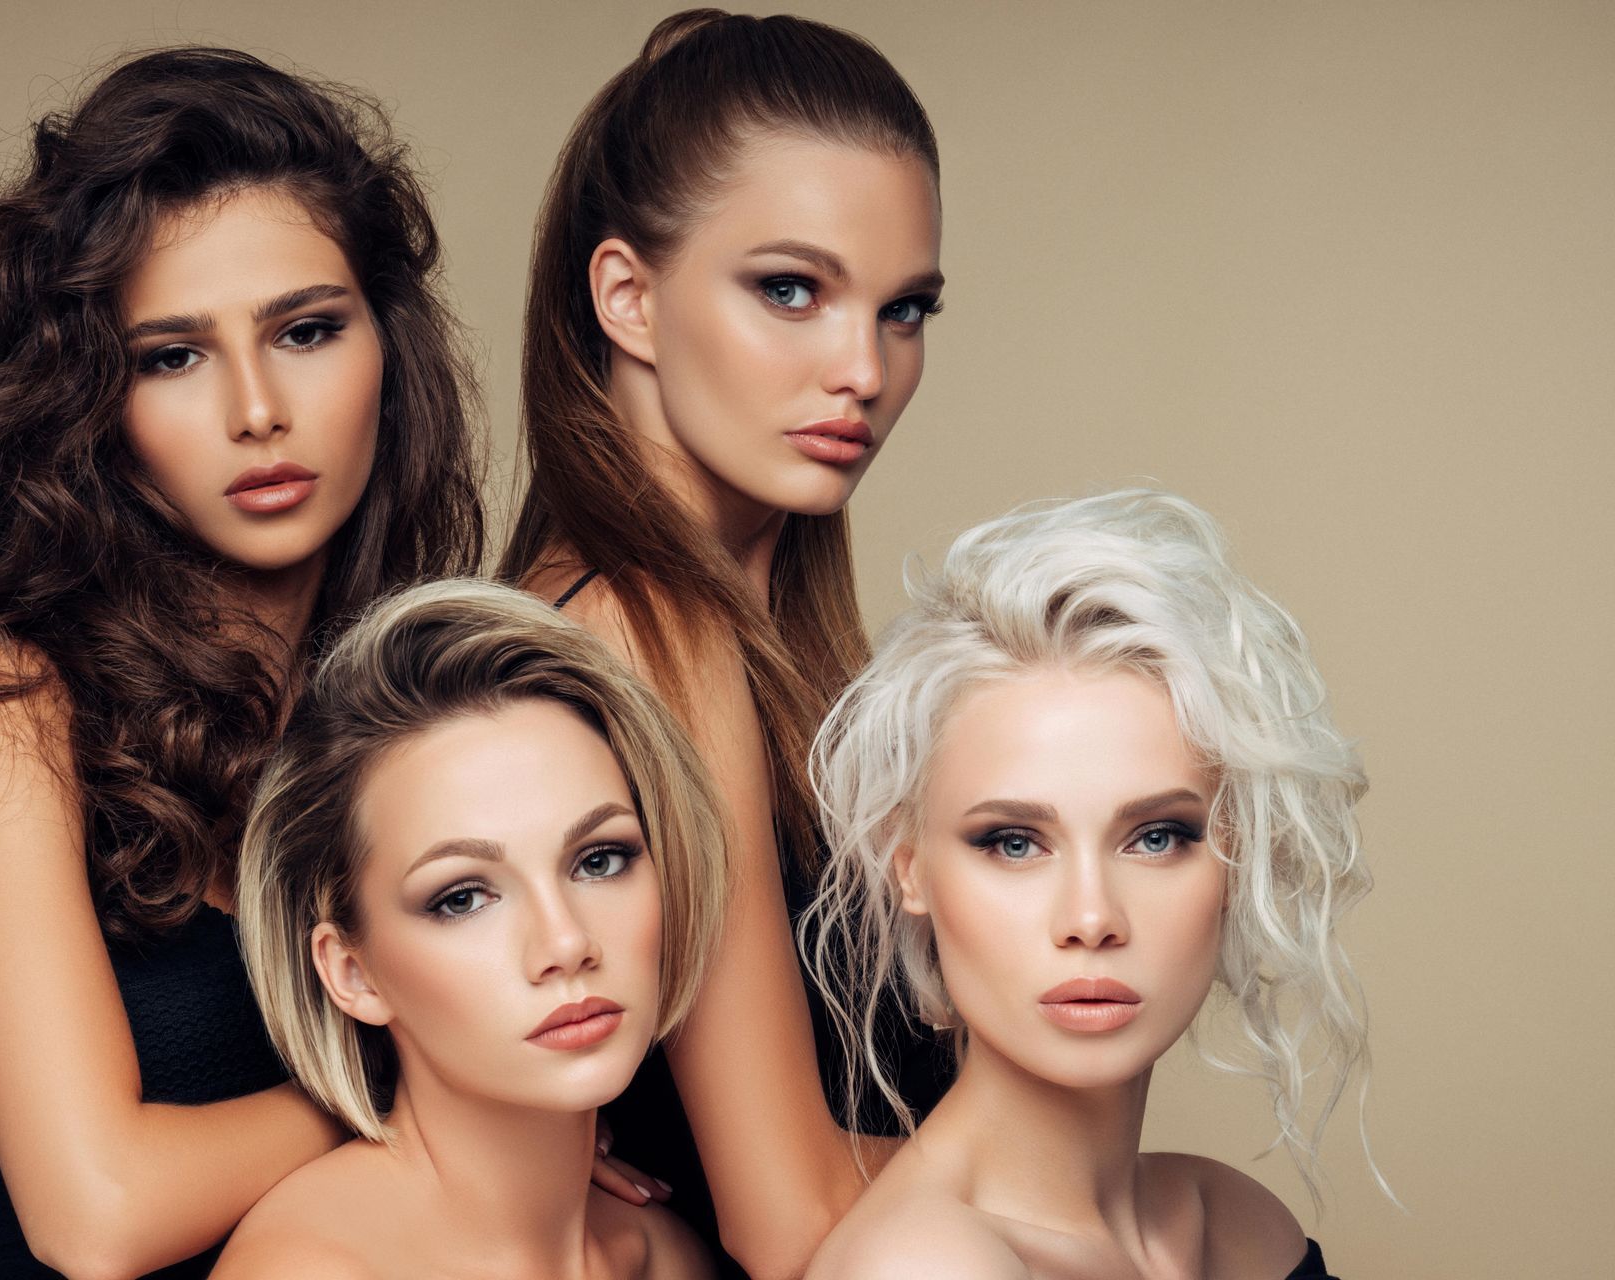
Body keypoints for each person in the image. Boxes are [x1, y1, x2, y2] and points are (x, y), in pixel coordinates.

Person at [0, 48, 485, 1279]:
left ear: (387, 353)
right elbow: (98, 1212)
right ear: (87, 394)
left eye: (306, 330)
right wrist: (432, 1087)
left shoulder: (378, 715)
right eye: (173, 355)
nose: (258, 408)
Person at [499, 10, 948, 1273]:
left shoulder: (751, 633)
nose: (862, 367)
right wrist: (1132, 1185)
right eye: (791, 290)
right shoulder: (648, 629)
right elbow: (789, 1213)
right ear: (627, 297)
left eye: (904, 309)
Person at [802, 491, 1369, 1279]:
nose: (1092, 917)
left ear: (1236, 860)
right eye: (1013, 842)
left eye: (1157, 837)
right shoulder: (925, 1265)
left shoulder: (1239, 1225)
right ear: (910, 868)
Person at [215, 580, 727, 1278]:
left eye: (599, 860)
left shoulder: (665, 1255)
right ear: (351, 972)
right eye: (461, 898)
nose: (567, 943)